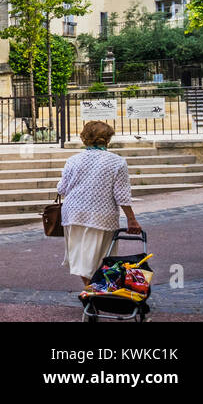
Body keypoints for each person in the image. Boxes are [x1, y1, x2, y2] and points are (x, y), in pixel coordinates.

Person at [56, 120, 141, 289]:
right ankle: (94, 292)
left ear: (84, 138)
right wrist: (131, 219)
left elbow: (62, 188)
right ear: (108, 139)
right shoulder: (117, 162)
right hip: (102, 216)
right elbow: (122, 195)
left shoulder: (73, 160)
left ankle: (91, 291)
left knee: (81, 258)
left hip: (73, 214)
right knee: (102, 258)